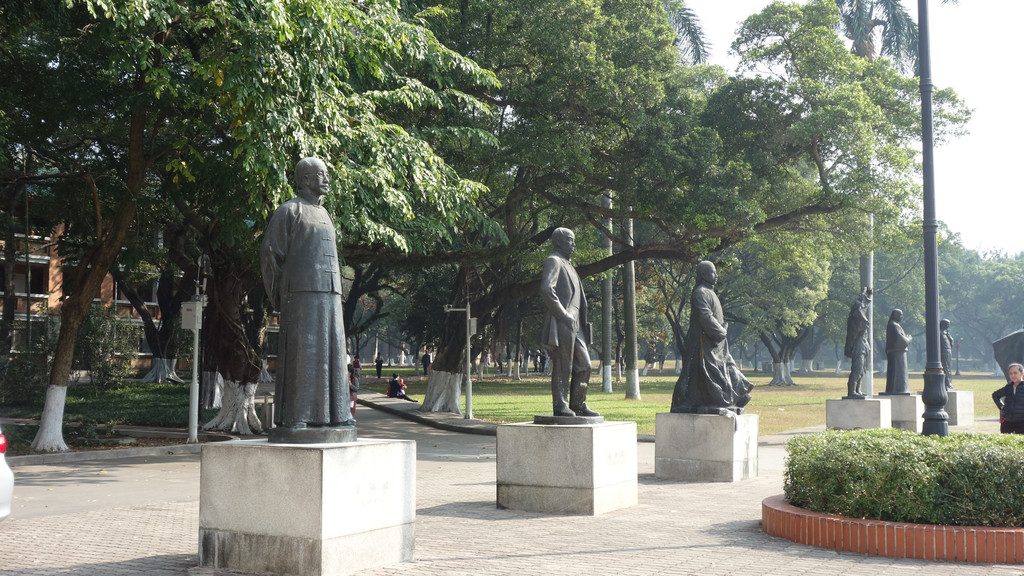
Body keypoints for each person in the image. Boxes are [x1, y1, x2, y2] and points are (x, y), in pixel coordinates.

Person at [260, 157, 353, 430]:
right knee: (303, 355)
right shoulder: (289, 211)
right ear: (306, 179)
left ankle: (337, 415)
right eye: (321, 174)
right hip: (300, 295)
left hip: (331, 294)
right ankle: (297, 416)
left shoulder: (324, 213)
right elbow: (269, 254)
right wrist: (280, 293)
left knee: (334, 354)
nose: (326, 179)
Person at [670, 261, 752, 414]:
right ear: (703, 275)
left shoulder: (710, 292)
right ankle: (723, 399)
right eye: (713, 272)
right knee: (712, 375)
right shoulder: (700, 293)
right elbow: (705, 317)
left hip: (717, 343)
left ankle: (739, 393)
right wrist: (721, 331)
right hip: (704, 344)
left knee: (728, 367)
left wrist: (721, 332)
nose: (716, 276)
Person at [539, 227, 599, 417]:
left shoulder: (569, 265)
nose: (573, 244)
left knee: (585, 365)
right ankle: (561, 404)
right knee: (563, 364)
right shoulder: (554, 261)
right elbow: (547, 289)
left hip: (576, 323)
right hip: (563, 320)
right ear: (559, 242)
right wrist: (563, 315)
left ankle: (578, 403)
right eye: (570, 240)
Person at [843, 288, 872, 399]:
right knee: (857, 369)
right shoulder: (853, 320)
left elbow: (864, 307)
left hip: (863, 347)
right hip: (858, 348)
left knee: (861, 371)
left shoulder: (858, 316)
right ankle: (851, 392)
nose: (862, 310)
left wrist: (867, 296)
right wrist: (863, 296)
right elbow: (860, 308)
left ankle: (857, 390)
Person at [883, 309, 912, 395]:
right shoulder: (893, 325)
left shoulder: (894, 325)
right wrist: (909, 339)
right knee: (897, 374)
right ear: (895, 315)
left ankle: (899, 389)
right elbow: (900, 340)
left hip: (898, 353)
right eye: (900, 315)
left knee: (898, 374)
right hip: (897, 354)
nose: (902, 317)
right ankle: (898, 389)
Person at [992, 363, 1024, 434]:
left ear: (1022, 374)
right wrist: (1001, 406)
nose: (1013, 375)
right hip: (1008, 423)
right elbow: (995, 395)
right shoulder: (1008, 387)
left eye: (1015, 373)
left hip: (1022, 423)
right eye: (1011, 373)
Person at [940, 319, 955, 390]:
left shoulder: (946, 333)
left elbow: (951, 343)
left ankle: (949, 383)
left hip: (948, 351)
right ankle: (947, 383)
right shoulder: (940, 333)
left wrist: (949, 336)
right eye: (947, 324)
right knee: (945, 368)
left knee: (949, 368)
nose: (948, 326)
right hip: (943, 352)